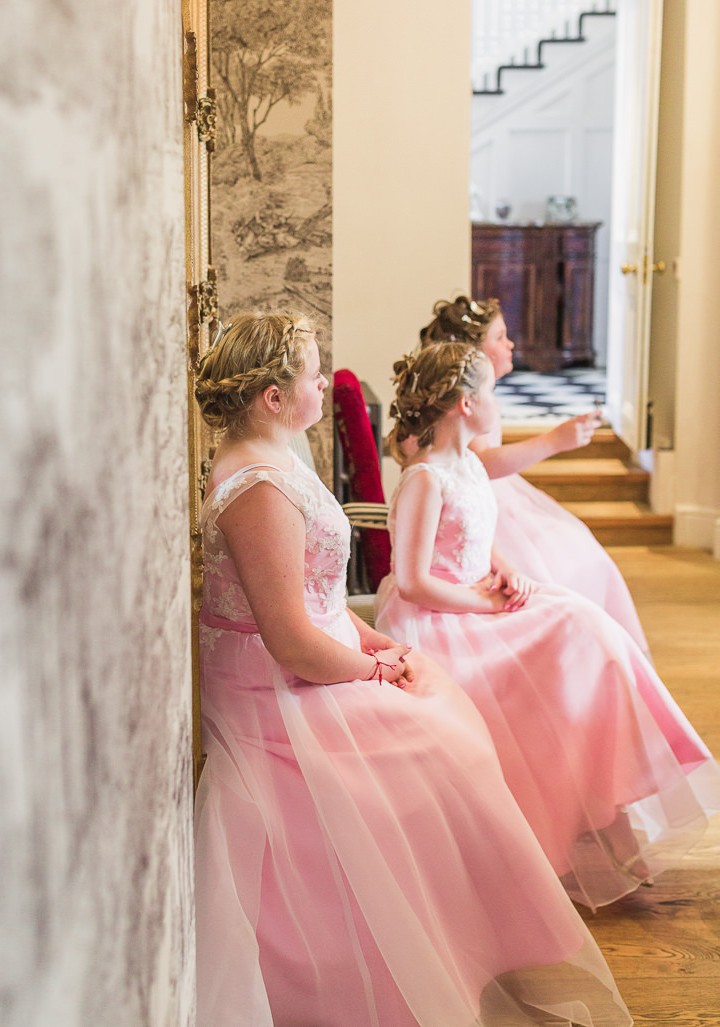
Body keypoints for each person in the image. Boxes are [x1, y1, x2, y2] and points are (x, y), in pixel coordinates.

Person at [192, 310, 632, 1027]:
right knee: (431, 748)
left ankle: (460, 942)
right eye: (310, 373)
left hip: (316, 655)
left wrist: (380, 646)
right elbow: (292, 639)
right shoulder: (256, 489)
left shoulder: (277, 457)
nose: (319, 382)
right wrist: (371, 671)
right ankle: (388, 958)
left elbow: (321, 601)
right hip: (269, 693)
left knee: (445, 723)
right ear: (272, 397)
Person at [375, 339, 720, 913]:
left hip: (481, 598)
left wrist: (511, 576)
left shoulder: (467, 466)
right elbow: (410, 580)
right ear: (464, 404)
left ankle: (609, 812)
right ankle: (586, 825)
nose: (496, 402)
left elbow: (482, 544)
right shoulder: (425, 479)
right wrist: (486, 603)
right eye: (490, 391)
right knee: (569, 650)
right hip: (442, 620)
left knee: (592, 633)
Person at [419, 295, 650, 654]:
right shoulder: (461, 406)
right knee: (562, 575)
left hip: (503, 496)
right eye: (500, 337)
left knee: (586, 555)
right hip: (482, 507)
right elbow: (478, 467)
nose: (510, 344)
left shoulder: (482, 394)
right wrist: (554, 441)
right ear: (472, 351)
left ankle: (603, 658)